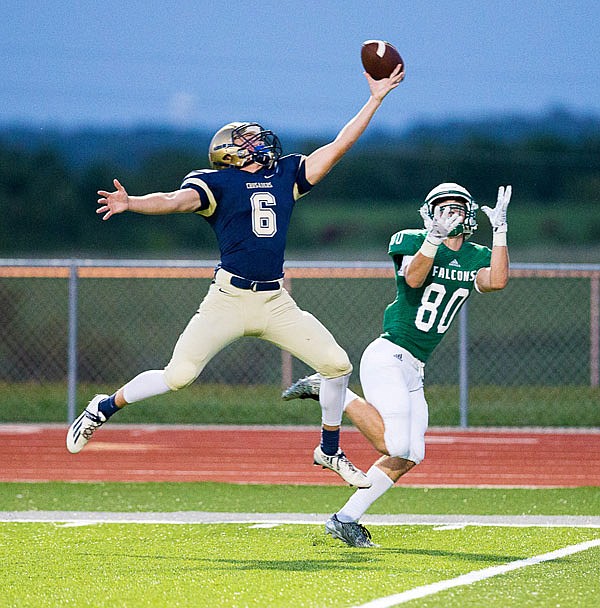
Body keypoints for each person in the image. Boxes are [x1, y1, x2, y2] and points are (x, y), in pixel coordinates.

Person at [66, 64, 405, 489]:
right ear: (229, 153)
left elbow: (338, 147)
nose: (260, 142)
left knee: (336, 365)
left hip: (275, 301)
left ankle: (330, 450)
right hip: (228, 299)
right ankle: (104, 406)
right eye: (248, 140)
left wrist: (375, 99)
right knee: (179, 376)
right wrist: (132, 202)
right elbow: (173, 200)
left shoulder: (284, 175)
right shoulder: (217, 183)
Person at [282, 182, 512, 546]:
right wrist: (434, 239)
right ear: (430, 213)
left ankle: (345, 519)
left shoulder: (475, 255)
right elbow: (413, 277)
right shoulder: (411, 240)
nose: (450, 213)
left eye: (456, 208)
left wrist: (500, 232)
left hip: (414, 367)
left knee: (411, 455)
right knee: (395, 446)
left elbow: (497, 281)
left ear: (469, 215)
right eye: (443, 208)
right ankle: (329, 389)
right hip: (388, 355)